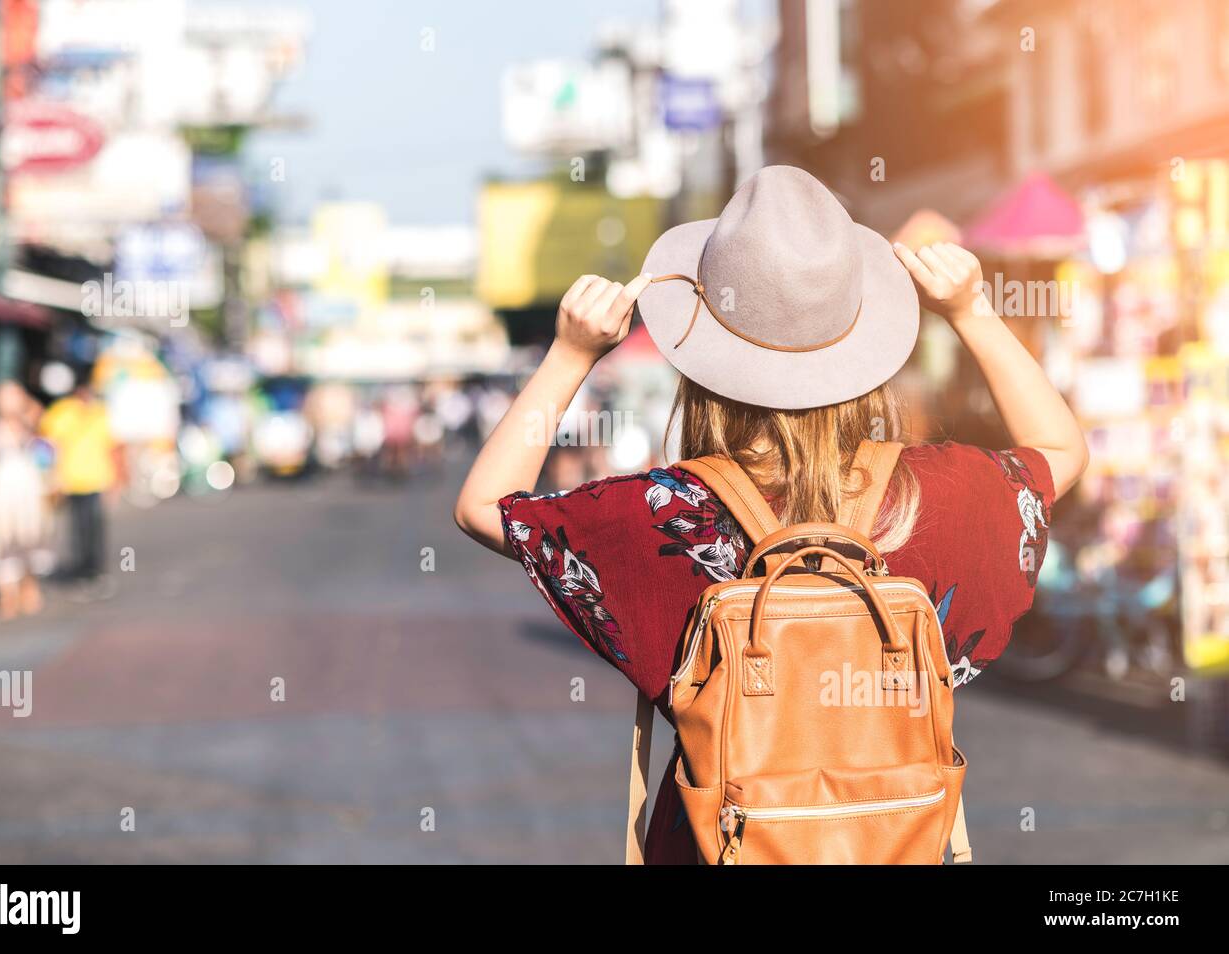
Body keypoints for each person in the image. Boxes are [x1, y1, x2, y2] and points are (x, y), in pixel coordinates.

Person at [453, 166, 1089, 864]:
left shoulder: (665, 514)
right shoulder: (936, 496)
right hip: (898, 838)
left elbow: (487, 506)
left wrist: (571, 352)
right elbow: (1058, 450)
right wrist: (971, 311)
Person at [0, 381, 52, 619]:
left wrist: (23, 403)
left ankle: (29, 586)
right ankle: (7, 595)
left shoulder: (28, 423)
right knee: (3, 543)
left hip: (26, 488)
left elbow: (41, 416)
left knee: (29, 539)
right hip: (1, 491)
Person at [40, 368, 122, 592]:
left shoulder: (101, 413)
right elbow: (48, 445)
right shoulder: (62, 413)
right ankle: (82, 571)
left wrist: (117, 480)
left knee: (95, 527)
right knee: (77, 529)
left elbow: (113, 447)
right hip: (71, 481)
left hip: (97, 479)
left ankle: (96, 570)